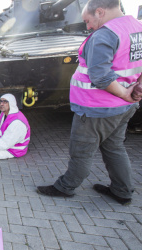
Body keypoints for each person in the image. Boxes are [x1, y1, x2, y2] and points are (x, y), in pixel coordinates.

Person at [37, 0, 142, 206]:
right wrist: (137, 89)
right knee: (114, 148)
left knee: (82, 151)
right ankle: (122, 191)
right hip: (123, 108)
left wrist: (125, 95)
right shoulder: (137, 28)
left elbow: (100, 77)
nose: (88, 27)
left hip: (97, 108)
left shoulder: (105, 34)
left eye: (88, 20)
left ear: (100, 12)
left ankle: (65, 187)